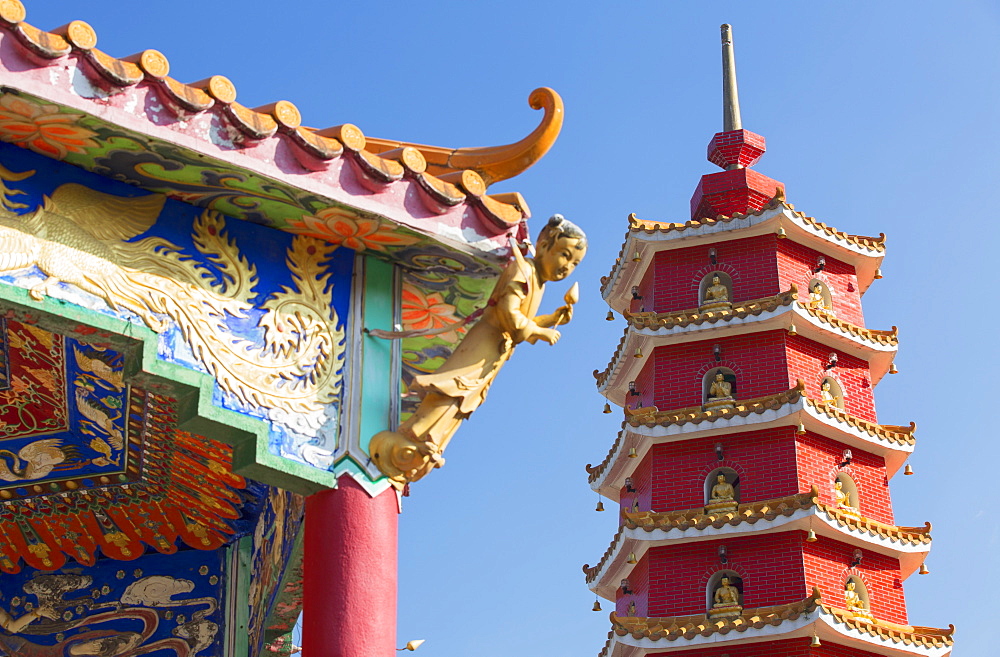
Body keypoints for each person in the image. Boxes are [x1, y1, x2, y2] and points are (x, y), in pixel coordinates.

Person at [370, 215, 587, 488]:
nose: (567, 266)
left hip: (494, 356)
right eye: (564, 255)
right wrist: (541, 332)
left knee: (464, 403)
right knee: (452, 390)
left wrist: (551, 318)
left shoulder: (538, 283)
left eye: (575, 263)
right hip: (484, 343)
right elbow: (511, 317)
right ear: (543, 245)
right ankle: (415, 435)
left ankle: (431, 443)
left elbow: (523, 322)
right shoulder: (523, 269)